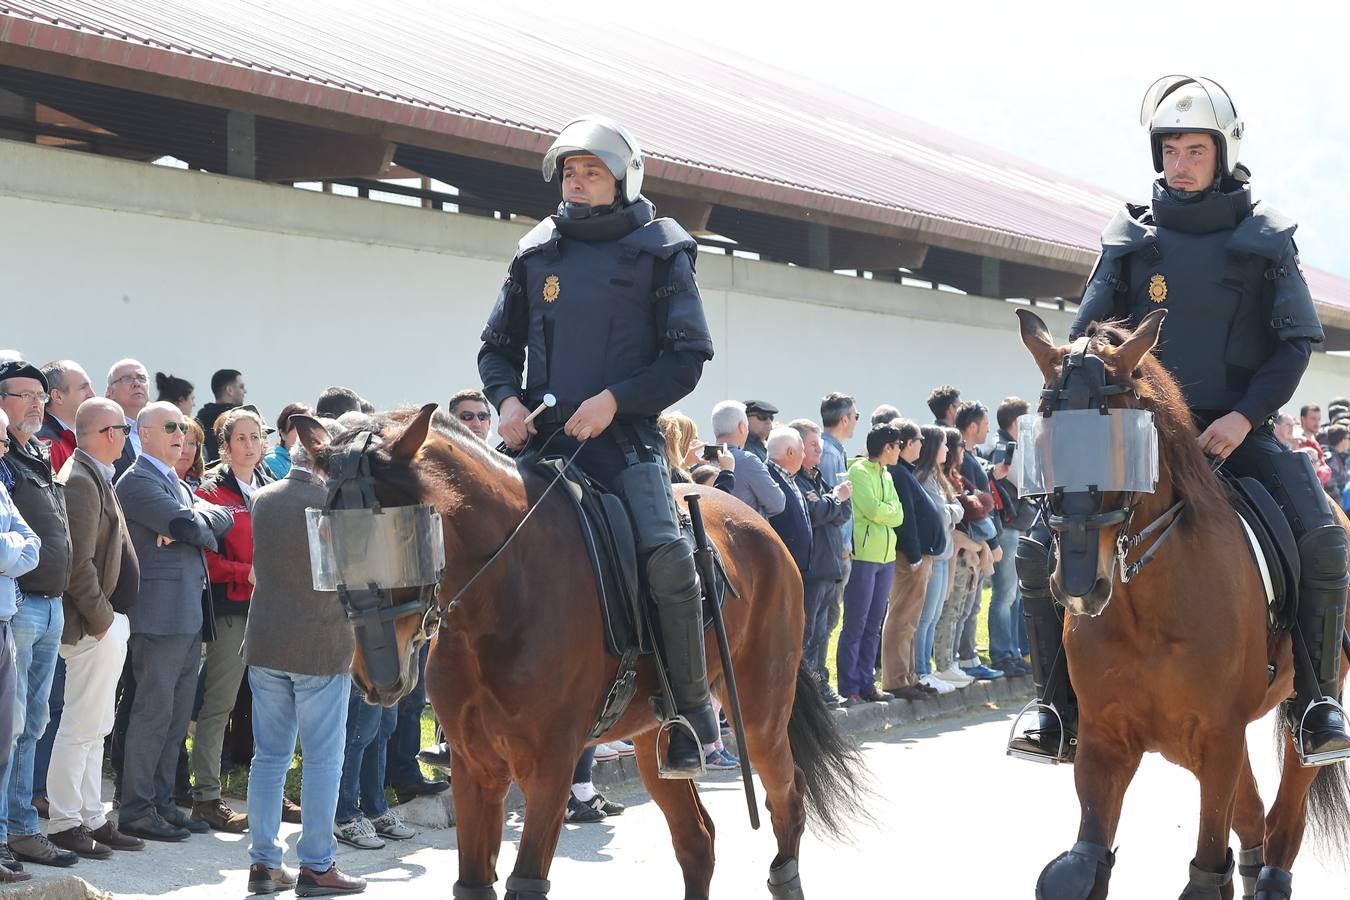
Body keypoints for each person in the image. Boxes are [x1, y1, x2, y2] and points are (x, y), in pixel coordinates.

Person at [1012, 75, 1350, 765]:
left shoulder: (1266, 236)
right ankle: (1053, 706)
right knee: (1035, 548)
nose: (1181, 163)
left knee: (1322, 541)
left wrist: (1243, 417)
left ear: (1221, 154)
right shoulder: (1129, 236)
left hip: (1238, 437)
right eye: (1171, 150)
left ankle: (1315, 703)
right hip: (1138, 439)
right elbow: (1090, 337)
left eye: (1196, 150)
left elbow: (1293, 345)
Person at [478, 115, 719, 775]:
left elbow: (687, 356)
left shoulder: (662, 248)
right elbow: (497, 348)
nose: (577, 183)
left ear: (623, 178)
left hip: (625, 441)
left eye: (592, 172)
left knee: (668, 561)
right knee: (472, 545)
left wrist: (615, 400)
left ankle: (688, 715)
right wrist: (507, 403)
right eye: (570, 172)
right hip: (541, 443)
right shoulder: (536, 251)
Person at [244, 418, 366, 897]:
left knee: (268, 758)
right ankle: (317, 864)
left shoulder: (264, 497)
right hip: (321, 646)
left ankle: (264, 863)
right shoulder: (333, 502)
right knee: (321, 761)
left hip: (267, 641)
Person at [116, 402, 233, 841]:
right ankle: (137, 808)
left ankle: (163, 802)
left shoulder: (175, 481)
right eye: (169, 426)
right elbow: (188, 525)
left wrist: (194, 526)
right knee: (153, 712)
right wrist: (194, 528)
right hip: (158, 615)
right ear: (143, 434)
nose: (180, 433)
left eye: (182, 426)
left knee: (176, 714)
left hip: (186, 614)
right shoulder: (139, 481)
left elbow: (217, 518)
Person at [44, 398, 143, 858]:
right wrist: (103, 621)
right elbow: (76, 563)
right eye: (122, 428)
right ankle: (66, 821)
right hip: (91, 625)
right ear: (107, 433)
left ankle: (91, 816)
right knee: (81, 726)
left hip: (102, 623)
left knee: (96, 725)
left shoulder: (91, 474)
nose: (126, 436)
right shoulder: (80, 480)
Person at [0, 360, 76, 869]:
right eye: (23, 395)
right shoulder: (5, 462)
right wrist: (21, 550)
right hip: (20, 606)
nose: (36, 404)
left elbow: (30, 539)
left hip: (49, 606)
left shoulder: (37, 455)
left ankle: (23, 827)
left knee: (33, 724)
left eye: (41, 396)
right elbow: (18, 546)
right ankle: (7, 833)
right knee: (11, 725)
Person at [190, 407, 275, 832]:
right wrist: (246, 573)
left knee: (272, 703)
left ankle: (271, 793)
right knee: (219, 703)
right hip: (231, 607)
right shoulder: (209, 492)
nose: (249, 445)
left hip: (272, 609)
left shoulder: (273, 486)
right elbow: (204, 557)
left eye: (255, 437)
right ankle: (206, 796)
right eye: (240, 438)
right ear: (224, 446)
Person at [835, 423, 905, 706]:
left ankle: (867, 681)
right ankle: (849, 685)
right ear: (887, 447)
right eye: (898, 445)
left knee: (874, 623)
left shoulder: (887, 474)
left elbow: (898, 514)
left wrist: (886, 511)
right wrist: (887, 511)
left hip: (886, 557)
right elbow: (874, 509)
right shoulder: (859, 472)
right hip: (864, 557)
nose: (900, 450)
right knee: (856, 622)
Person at [0, 405, 40, 883]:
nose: (6, 448)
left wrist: (8, 547)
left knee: (4, 739)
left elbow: (31, 545)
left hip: (5, 622)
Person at [788, 419, 852, 705]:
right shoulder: (796, 480)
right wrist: (832, 502)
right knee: (808, 631)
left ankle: (819, 683)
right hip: (812, 569)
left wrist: (831, 501)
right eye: (814, 445)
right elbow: (813, 513)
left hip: (830, 567)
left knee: (825, 629)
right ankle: (805, 691)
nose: (819, 451)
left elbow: (842, 511)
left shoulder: (817, 478)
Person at [878, 419, 943, 700]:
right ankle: (895, 679)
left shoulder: (905, 472)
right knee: (902, 618)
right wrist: (915, 555)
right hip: (910, 558)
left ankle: (908, 676)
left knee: (911, 620)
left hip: (918, 556)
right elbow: (908, 521)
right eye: (918, 440)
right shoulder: (900, 475)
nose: (921, 445)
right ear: (905, 444)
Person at [984, 397, 1035, 677]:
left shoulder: (1007, 446)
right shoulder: (1003, 449)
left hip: (1014, 527)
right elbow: (1011, 485)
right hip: (1007, 528)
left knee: (1013, 595)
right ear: (1017, 422)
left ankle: (1013, 651)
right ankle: (1002, 653)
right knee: (1004, 594)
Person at [913, 425, 965, 695]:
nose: (948, 449)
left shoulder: (937, 476)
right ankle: (921, 670)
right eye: (944, 444)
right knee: (925, 617)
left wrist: (953, 509)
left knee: (934, 616)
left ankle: (927, 668)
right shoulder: (923, 476)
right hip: (933, 553)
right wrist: (954, 509)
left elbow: (954, 508)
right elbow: (942, 512)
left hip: (943, 553)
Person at [817, 392, 858, 705]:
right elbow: (837, 505)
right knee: (826, 621)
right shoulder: (830, 454)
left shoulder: (832, 449)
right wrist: (845, 546)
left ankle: (821, 680)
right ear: (844, 418)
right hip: (835, 551)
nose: (856, 421)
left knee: (828, 621)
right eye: (855, 416)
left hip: (836, 549)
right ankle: (820, 682)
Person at [713, 401, 784, 520]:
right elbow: (777, 504)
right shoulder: (748, 460)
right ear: (742, 427)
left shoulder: (698, 461)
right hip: (743, 535)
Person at [765, 427, 812, 575]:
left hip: (797, 567)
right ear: (791, 452)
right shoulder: (767, 479)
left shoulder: (789, 477)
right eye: (802, 450)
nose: (804, 456)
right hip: (780, 569)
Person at [37, 360, 94, 476]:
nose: (92, 394)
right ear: (57, 396)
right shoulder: (47, 444)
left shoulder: (67, 437)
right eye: (83, 388)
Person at [105, 359, 149, 480]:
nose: (136, 383)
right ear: (110, 392)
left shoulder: (161, 426)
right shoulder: (103, 430)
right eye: (127, 379)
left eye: (141, 378)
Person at [196, 369, 246, 463]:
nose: (245, 391)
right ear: (230, 390)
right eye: (241, 387)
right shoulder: (238, 419)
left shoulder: (200, 418)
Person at [264, 402, 310, 480]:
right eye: (300, 428)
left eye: (311, 427)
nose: (307, 433)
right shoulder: (272, 462)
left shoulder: (315, 460)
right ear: (283, 434)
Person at [175, 419, 207, 491]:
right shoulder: (151, 483)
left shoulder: (206, 488)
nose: (186, 450)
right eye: (179, 443)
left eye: (191, 443)